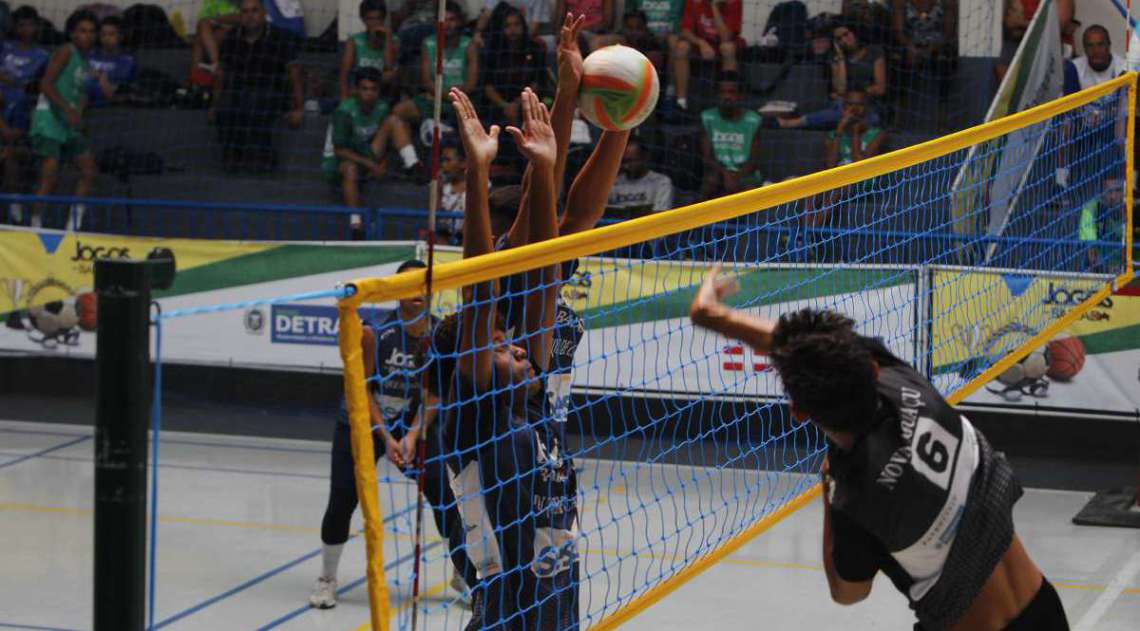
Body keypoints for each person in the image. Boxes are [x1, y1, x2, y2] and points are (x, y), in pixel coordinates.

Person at [689, 285, 1070, 630]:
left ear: (800, 413)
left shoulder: (854, 496)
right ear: (870, 366)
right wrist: (714, 316)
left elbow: (848, 593)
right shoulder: (904, 382)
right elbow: (819, 348)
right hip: (1043, 610)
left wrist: (827, 489)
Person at [443, 85, 580, 630]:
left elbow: (545, 274)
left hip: (559, 604)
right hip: (509, 614)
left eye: (511, 341)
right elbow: (479, 293)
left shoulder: (537, 409)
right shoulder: (478, 417)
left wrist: (546, 169)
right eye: (499, 347)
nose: (519, 347)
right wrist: (478, 174)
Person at [310, 258, 478, 610]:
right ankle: (327, 578)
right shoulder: (376, 334)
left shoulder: (440, 336)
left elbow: (436, 395)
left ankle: (465, 576)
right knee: (343, 499)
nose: (414, 291)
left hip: (417, 425)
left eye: (421, 283)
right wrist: (386, 437)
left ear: (430, 290)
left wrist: (413, 435)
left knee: (445, 500)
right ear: (397, 292)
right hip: (363, 422)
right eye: (407, 284)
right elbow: (361, 391)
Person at [321, 67, 422, 239]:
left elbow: (385, 138)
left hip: (364, 154)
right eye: (364, 89)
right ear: (356, 90)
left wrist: (382, 161)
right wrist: (372, 164)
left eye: (373, 89)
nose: (369, 93)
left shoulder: (382, 107)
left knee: (394, 120)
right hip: (338, 161)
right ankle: (356, 224)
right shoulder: (344, 111)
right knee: (350, 168)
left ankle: (413, 165)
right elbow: (340, 150)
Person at [209, 0, 304, 173]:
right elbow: (221, 75)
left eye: (254, 11)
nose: (250, 15)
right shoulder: (231, 37)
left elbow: (295, 74)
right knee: (226, 108)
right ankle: (232, 155)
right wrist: (214, 105)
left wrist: (299, 108)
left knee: (256, 103)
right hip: (238, 92)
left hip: (272, 93)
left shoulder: (280, 37)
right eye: (245, 12)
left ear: (263, 13)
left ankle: (263, 156)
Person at [27, 9, 100, 230]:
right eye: (82, 31)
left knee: (89, 169)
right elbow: (46, 84)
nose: (87, 36)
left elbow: (82, 95)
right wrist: (67, 109)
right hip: (49, 116)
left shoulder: (87, 64)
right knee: (50, 174)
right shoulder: (65, 51)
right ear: (72, 34)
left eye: (91, 31)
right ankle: (34, 223)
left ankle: (73, 225)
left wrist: (79, 113)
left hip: (68, 123)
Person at [779, 21, 885, 130]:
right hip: (844, 104)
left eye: (846, 34)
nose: (844, 39)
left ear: (854, 33)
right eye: (839, 39)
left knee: (869, 117)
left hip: (868, 104)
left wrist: (855, 94)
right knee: (840, 109)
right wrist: (841, 58)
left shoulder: (874, 52)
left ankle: (796, 122)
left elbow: (880, 88)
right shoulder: (835, 59)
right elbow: (840, 88)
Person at [393, 2, 478, 127]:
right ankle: (412, 144)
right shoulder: (428, 44)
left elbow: (471, 84)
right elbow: (426, 81)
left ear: (459, 21)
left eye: (452, 19)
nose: (448, 24)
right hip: (433, 99)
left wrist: (451, 98)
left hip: (462, 101)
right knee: (398, 111)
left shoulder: (469, 45)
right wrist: (439, 96)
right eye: (444, 20)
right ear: (436, 22)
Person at [0, 5, 48, 224]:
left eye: (30, 24)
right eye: (21, 24)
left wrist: (16, 82)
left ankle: (16, 202)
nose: (25, 29)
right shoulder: (4, 48)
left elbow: (38, 87)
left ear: (37, 27)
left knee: (12, 154)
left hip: (22, 114)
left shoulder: (43, 56)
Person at [673, 0, 743, 113]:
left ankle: (727, 100)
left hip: (721, 44)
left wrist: (714, 7)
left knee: (728, 48)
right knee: (681, 47)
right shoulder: (694, 2)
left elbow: (726, 37)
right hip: (701, 44)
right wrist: (701, 43)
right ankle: (681, 101)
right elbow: (685, 31)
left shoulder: (734, 2)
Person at [700, 70, 762, 198]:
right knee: (710, 182)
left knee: (749, 190)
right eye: (722, 92)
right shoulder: (707, 117)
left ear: (740, 95)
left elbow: (754, 161)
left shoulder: (754, 120)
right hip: (717, 172)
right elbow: (707, 158)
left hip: (745, 174)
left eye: (731, 92)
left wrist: (737, 177)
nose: (726, 96)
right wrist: (725, 174)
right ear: (716, 95)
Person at [337, 0, 398, 101]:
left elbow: (389, 68)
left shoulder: (394, 40)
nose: (374, 23)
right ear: (363, 19)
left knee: (390, 75)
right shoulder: (354, 41)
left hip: (382, 90)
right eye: (370, 19)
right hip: (358, 91)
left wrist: (387, 39)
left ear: (383, 19)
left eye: (378, 19)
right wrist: (344, 98)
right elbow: (344, 74)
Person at [605, 138, 673, 220]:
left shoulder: (661, 182)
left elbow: (661, 214)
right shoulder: (614, 183)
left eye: (631, 161)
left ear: (645, 157)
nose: (626, 166)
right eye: (624, 161)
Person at [824, 90, 886, 170]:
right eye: (850, 104)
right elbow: (830, 165)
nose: (854, 109)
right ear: (843, 107)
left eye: (860, 105)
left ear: (866, 108)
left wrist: (855, 133)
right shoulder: (833, 135)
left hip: (864, 181)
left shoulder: (877, 134)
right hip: (841, 180)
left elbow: (860, 167)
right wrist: (839, 130)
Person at [85, 16, 135, 107]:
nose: (106, 38)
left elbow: (115, 91)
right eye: (103, 34)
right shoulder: (90, 54)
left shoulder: (126, 61)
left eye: (111, 34)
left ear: (121, 36)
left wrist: (100, 76)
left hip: (104, 98)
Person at [1078, 174, 1123, 273]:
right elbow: (1091, 250)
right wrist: (1106, 267)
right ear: (1102, 192)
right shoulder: (1091, 208)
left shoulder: (1130, 208)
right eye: (1109, 191)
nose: (1113, 196)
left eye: (1118, 190)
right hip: (1101, 267)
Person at [1063, 25, 1126, 95]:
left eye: (1100, 45)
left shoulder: (1123, 68)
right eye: (1090, 45)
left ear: (1109, 45)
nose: (1096, 51)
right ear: (1084, 48)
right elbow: (1070, 104)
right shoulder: (1074, 68)